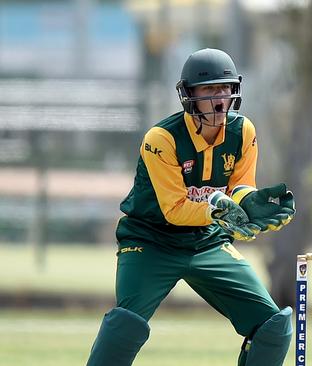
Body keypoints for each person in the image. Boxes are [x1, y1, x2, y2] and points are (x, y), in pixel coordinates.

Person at [86, 48, 296, 366]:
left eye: (224, 88)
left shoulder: (243, 132)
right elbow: (174, 209)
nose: (219, 98)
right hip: (150, 242)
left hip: (207, 242)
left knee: (273, 326)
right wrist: (218, 207)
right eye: (209, 90)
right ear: (190, 96)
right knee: (125, 325)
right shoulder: (161, 139)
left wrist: (248, 204)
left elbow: (240, 187)